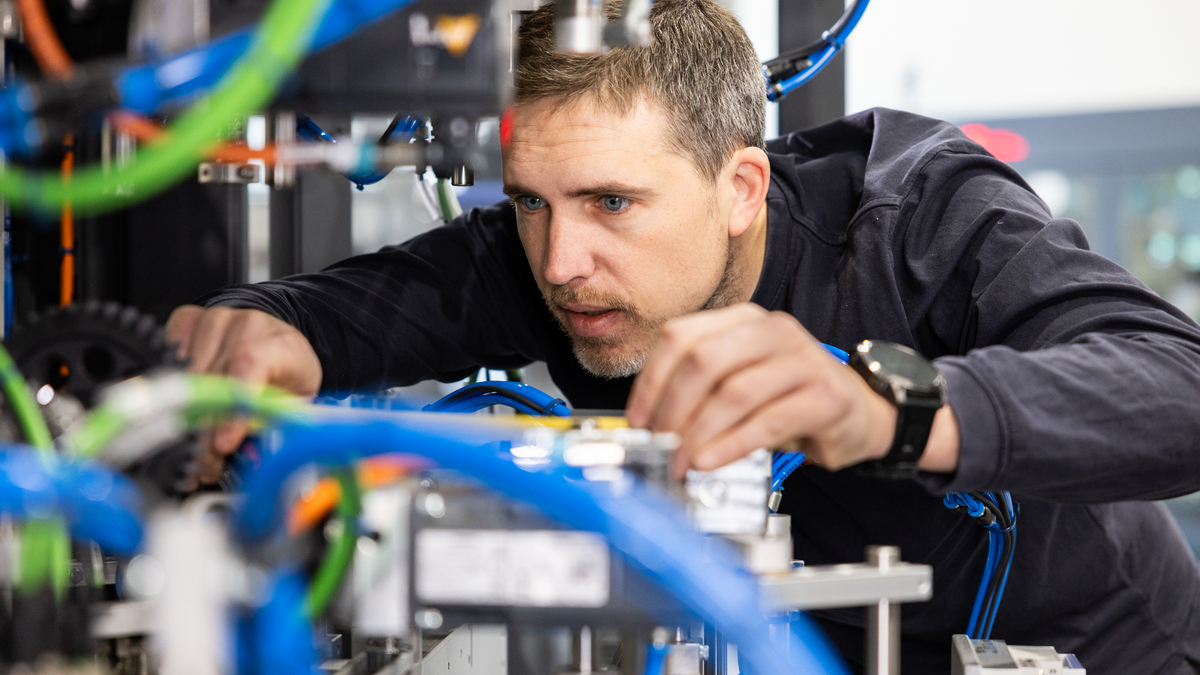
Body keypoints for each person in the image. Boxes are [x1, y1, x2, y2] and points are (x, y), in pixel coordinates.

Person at [166, 0, 1200, 671]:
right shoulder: (549, 254)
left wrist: (887, 408)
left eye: (613, 202)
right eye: (531, 202)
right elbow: (332, 315)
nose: (562, 262)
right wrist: (263, 332)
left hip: (1088, 647)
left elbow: (1177, 385)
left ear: (740, 186)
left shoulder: (918, 218)